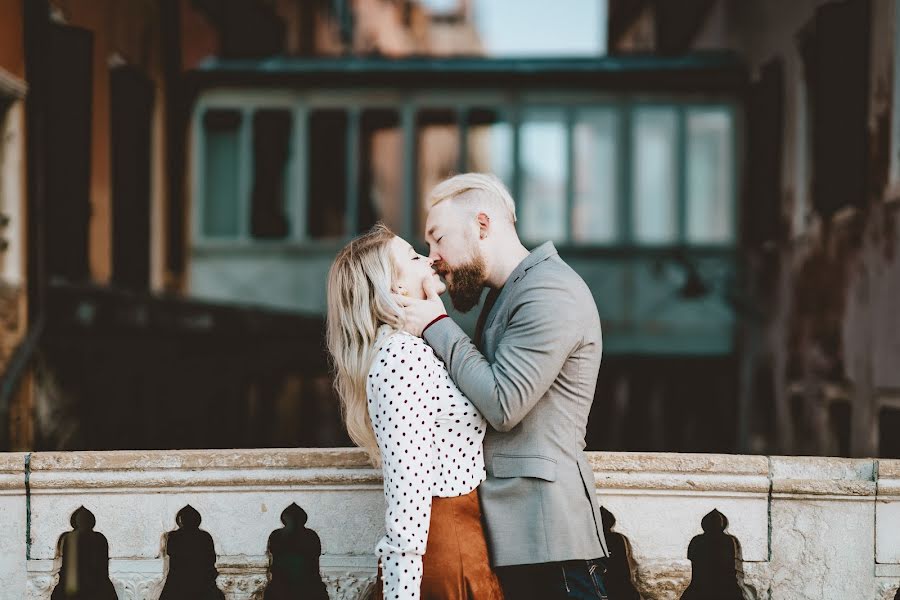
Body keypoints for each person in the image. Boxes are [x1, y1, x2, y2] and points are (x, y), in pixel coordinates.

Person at [395, 173, 611, 600]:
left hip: (549, 542)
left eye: (438, 238)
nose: (433, 256)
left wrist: (436, 325)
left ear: (481, 225)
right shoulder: (507, 293)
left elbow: (503, 402)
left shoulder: (549, 290)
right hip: (519, 539)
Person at [325, 223, 504, 600]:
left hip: (462, 544)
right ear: (395, 288)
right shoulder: (400, 358)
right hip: (442, 553)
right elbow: (406, 490)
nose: (429, 258)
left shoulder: (415, 348)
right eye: (413, 255)